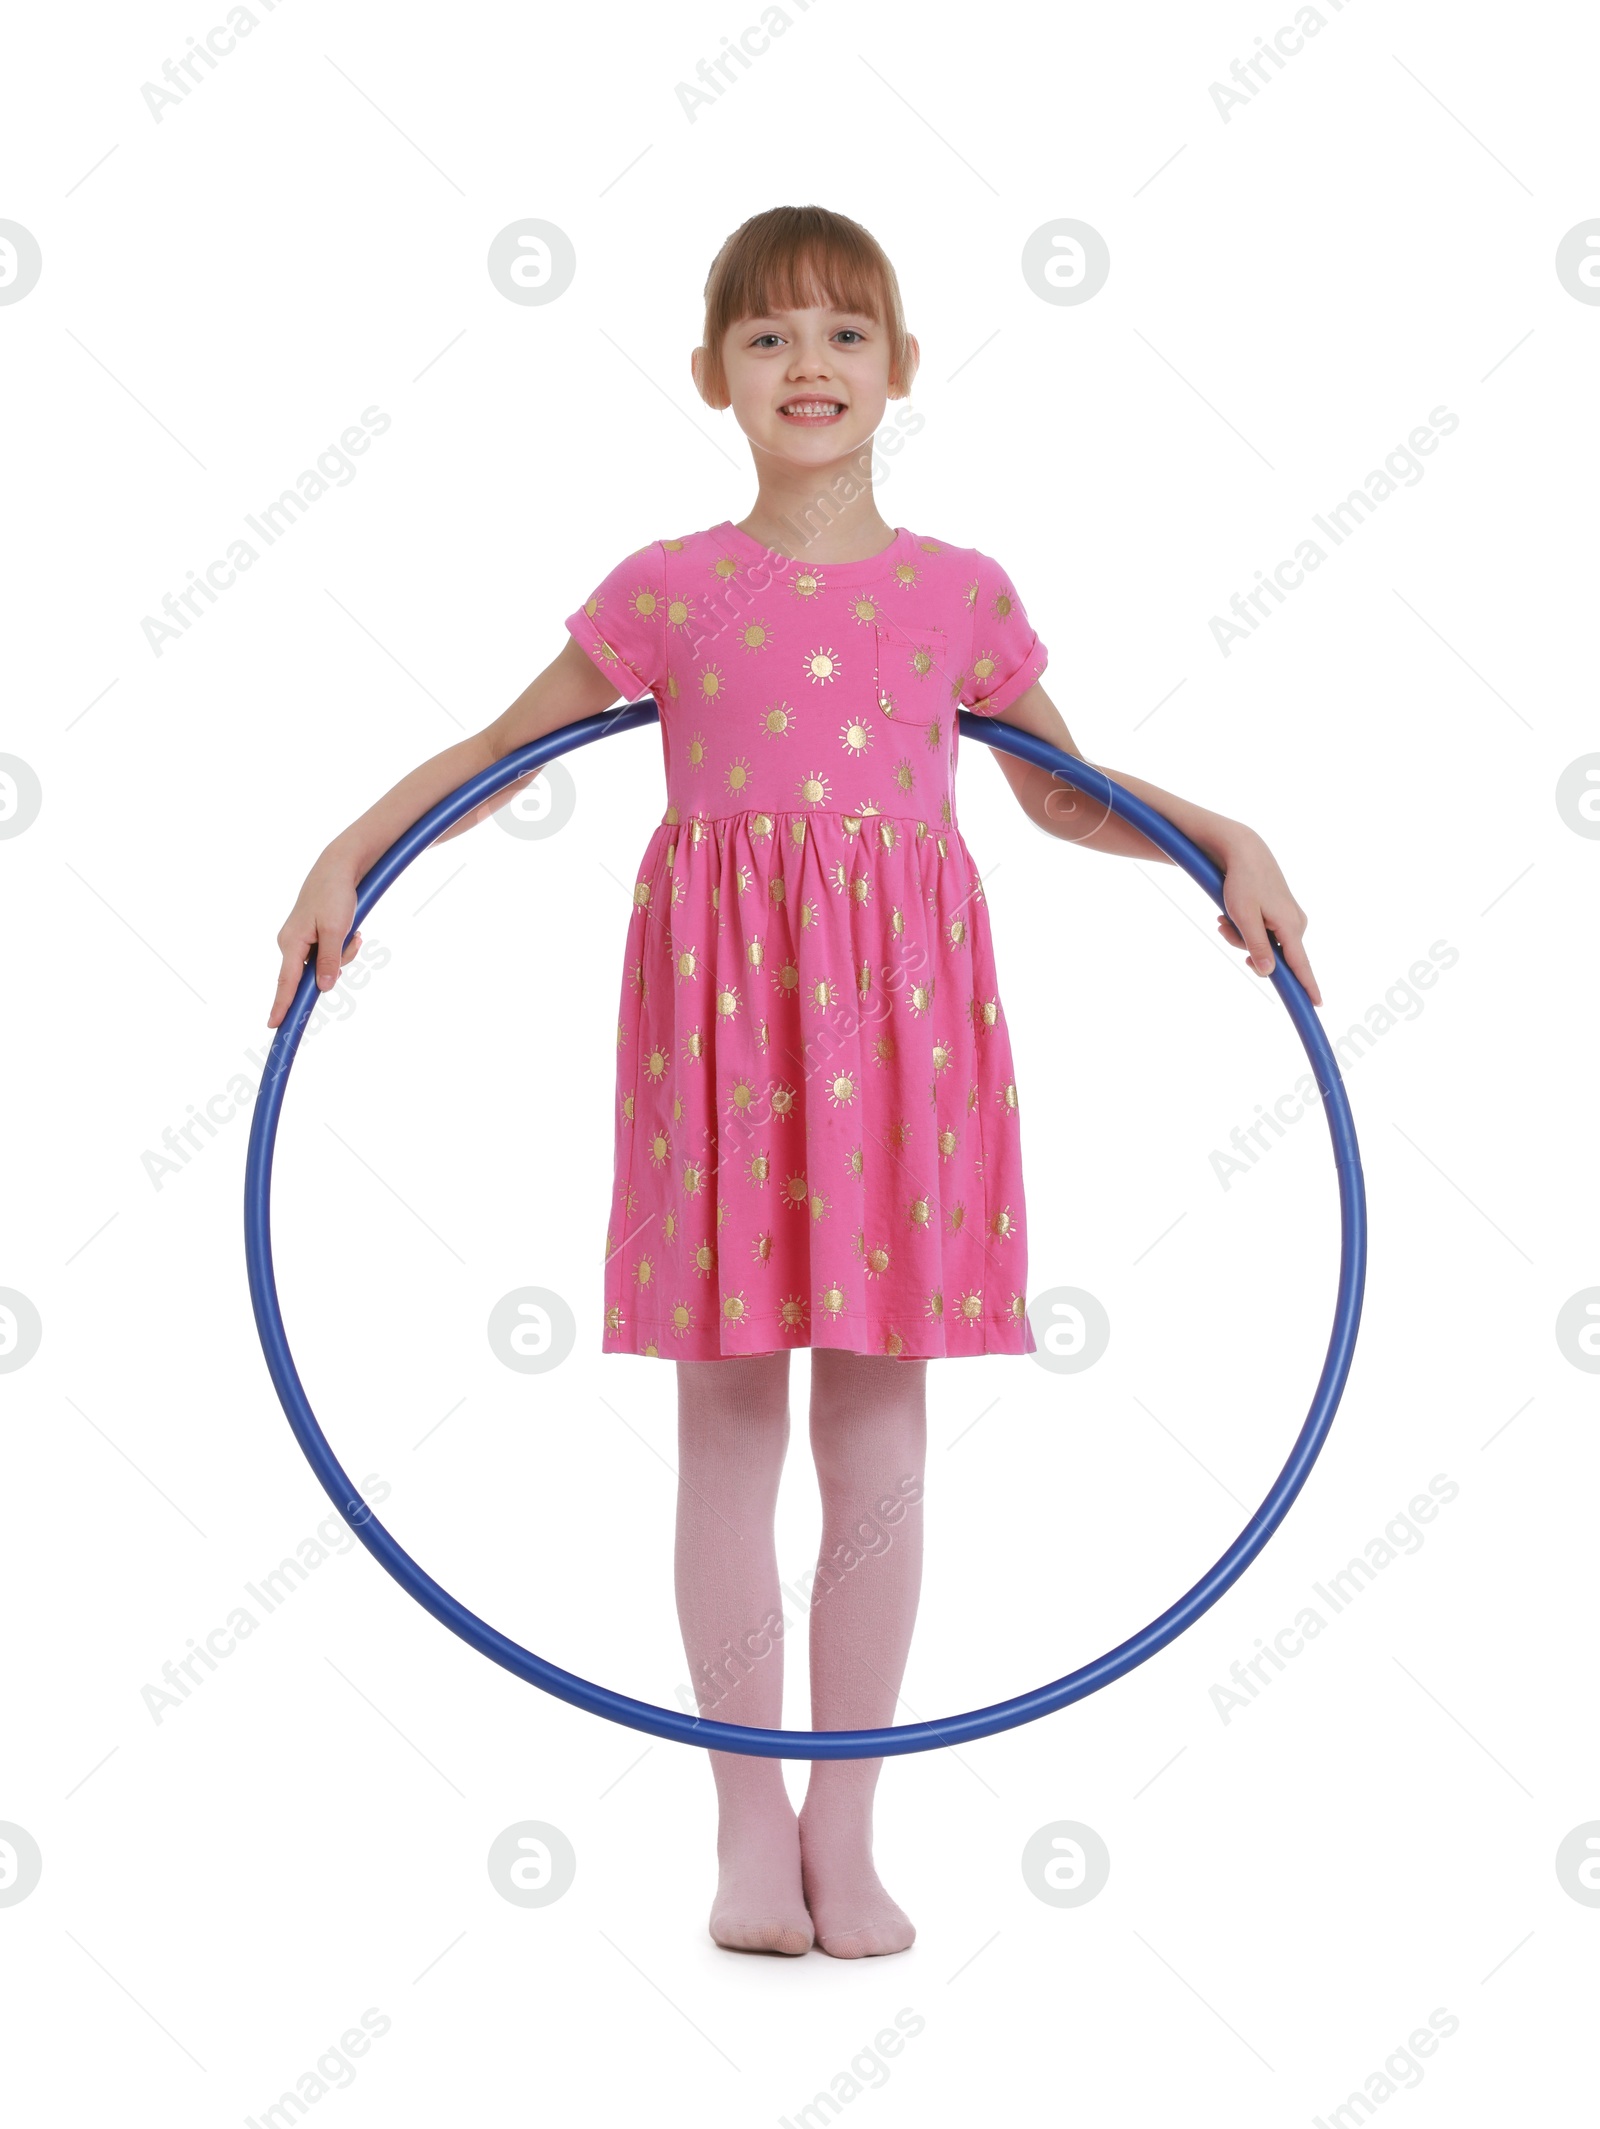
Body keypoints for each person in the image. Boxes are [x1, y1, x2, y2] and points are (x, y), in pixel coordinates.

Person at [268, 204, 1320, 1962]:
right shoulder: (671, 587)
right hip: (725, 1044)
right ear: (712, 379)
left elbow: (1066, 796)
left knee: (881, 1429)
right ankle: (747, 1814)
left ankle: (851, 1810)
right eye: (768, 339)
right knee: (732, 1420)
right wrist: (348, 855)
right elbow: (508, 745)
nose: (808, 364)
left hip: (904, 1044)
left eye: (843, 334)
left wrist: (1224, 836)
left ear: (900, 370)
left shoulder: (958, 592)